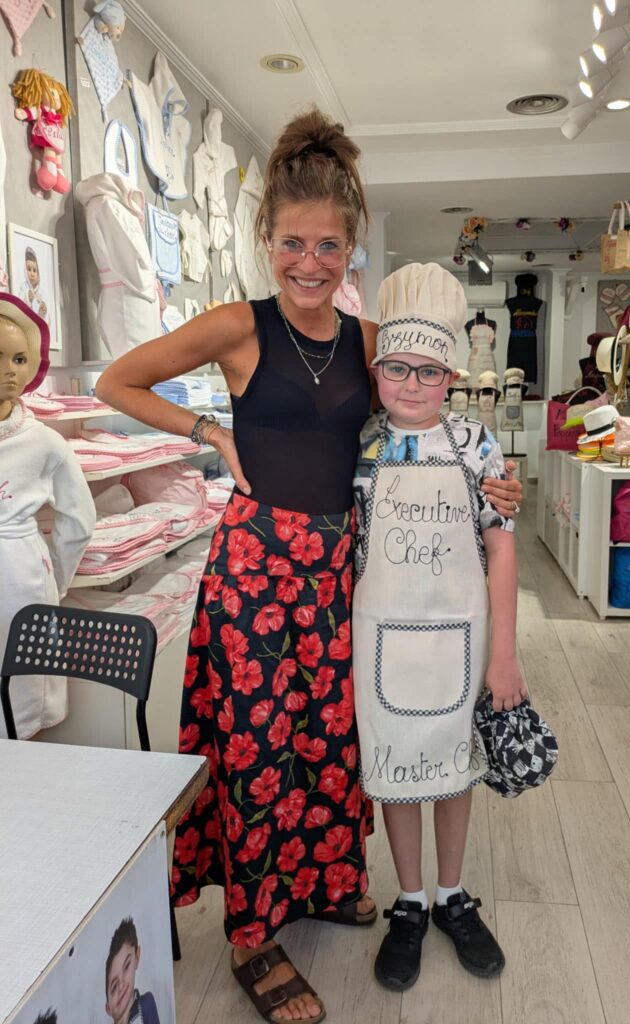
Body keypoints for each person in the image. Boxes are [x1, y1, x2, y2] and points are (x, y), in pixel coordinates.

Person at [96, 107, 522, 1024]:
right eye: (292, 243)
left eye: (329, 246)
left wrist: (492, 482)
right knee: (256, 746)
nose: (309, 263)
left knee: (332, 742)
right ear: (267, 240)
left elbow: (424, 414)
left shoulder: (368, 342)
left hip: (342, 575)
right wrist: (208, 431)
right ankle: (252, 937)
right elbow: (115, 382)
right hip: (254, 570)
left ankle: (326, 880)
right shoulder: (236, 326)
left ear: (351, 249)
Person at [352, 262, 527, 991]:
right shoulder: (361, 445)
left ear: (451, 377)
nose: (413, 384)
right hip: (379, 642)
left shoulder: (477, 445)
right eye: (397, 368)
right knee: (396, 769)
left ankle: (452, 895)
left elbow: (501, 547)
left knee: (454, 768)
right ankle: (410, 901)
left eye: (429, 372)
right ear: (376, 371)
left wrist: (504, 655)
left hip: (460, 640)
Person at [0, 293, 95, 740]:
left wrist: (53, 579)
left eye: (19, 358)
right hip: (23, 569)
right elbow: (77, 520)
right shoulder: (44, 442)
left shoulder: (46, 442)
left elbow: (79, 518)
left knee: (22, 682)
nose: (9, 370)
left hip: (20, 574)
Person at [104, 917, 159, 1024]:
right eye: (114, 987)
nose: (121, 986)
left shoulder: (145, 1004)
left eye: (126, 967)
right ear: (108, 1007)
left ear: (137, 957)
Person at [16, 247, 49, 322]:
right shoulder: (23, 287)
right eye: (29, 269)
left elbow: (46, 309)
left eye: (34, 271)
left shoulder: (41, 291)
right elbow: (19, 302)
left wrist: (44, 309)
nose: (32, 274)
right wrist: (27, 297)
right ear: (25, 270)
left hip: (38, 321)